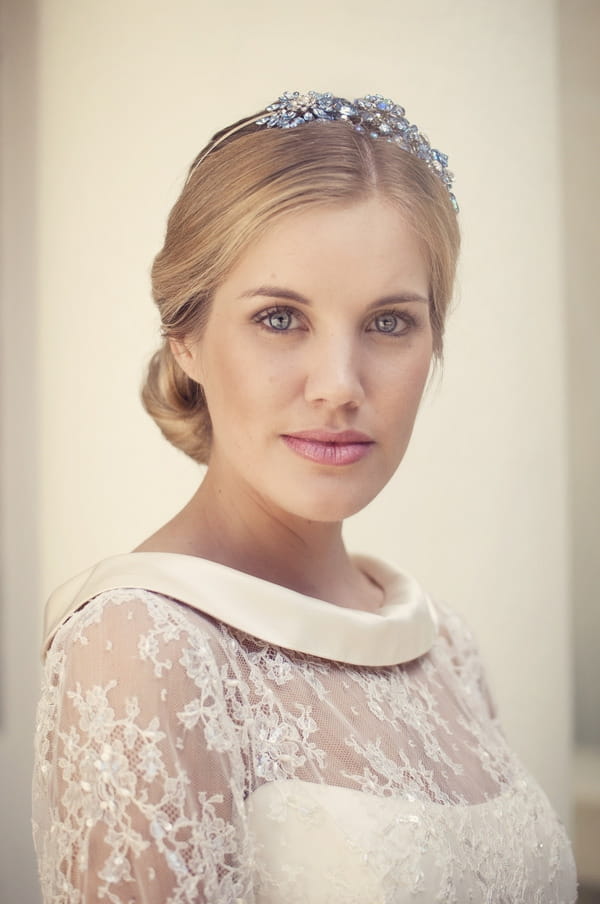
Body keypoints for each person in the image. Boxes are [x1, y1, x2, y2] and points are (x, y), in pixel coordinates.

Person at [32, 91, 576, 903]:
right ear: (185, 338)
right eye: (281, 317)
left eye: (390, 324)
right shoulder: (140, 644)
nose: (339, 387)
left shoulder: (443, 645)